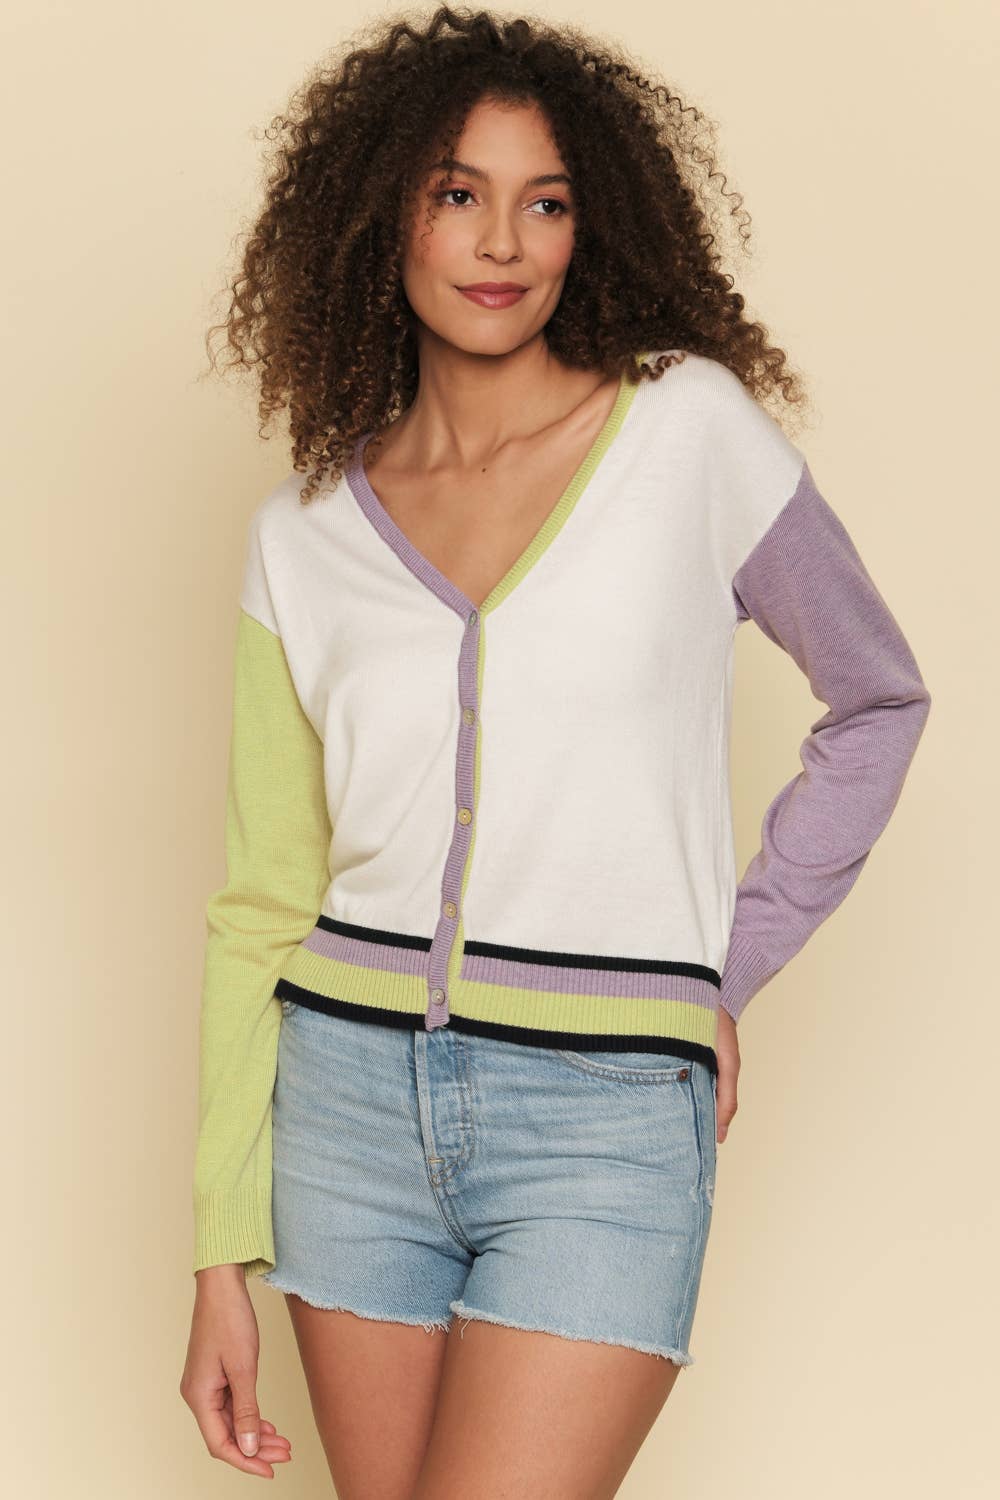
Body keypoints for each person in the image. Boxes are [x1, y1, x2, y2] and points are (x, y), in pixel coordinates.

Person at [179, 9, 932, 1497]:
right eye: (458, 193)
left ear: (594, 228)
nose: (502, 242)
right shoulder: (301, 536)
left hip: (605, 1118)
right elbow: (262, 901)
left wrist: (722, 972)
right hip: (342, 1113)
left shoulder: (687, 432)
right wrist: (219, 1250)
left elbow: (878, 701)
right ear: (381, 213)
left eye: (548, 202)